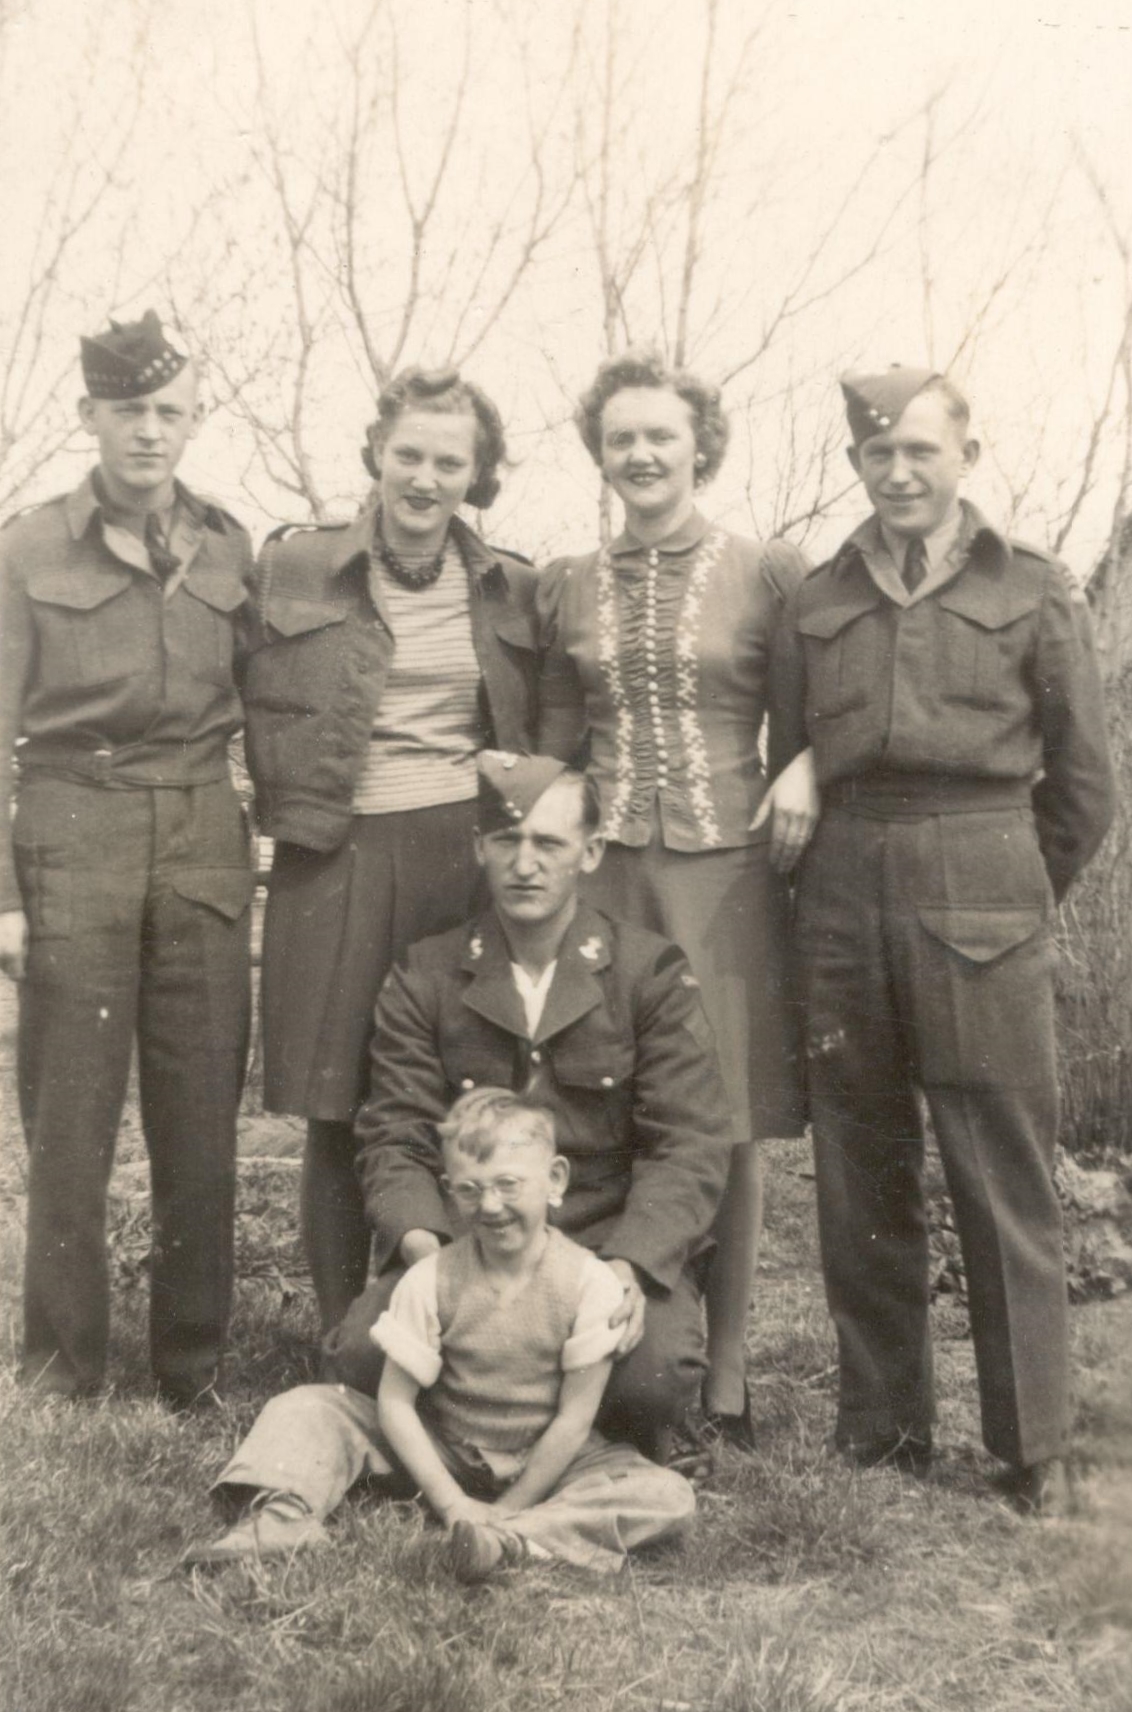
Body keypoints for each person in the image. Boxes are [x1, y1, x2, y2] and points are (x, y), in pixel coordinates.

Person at [773, 366, 1115, 1511]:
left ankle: (1033, 1444)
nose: (899, 471)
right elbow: (789, 749)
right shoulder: (816, 596)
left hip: (981, 874)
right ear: (855, 464)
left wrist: (1008, 890)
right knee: (858, 1161)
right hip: (839, 890)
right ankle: (882, 1429)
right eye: (878, 453)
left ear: (966, 454)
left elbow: (1081, 788)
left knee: (998, 1167)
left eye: (920, 449)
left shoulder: (1032, 586)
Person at [535, 350, 818, 1445]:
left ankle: (726, 1371)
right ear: (599, 455)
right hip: (606, 873)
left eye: (661, 435)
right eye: (621, 438)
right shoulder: (567, 582)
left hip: (726, 873)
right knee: (606, 1100)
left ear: (701, 445)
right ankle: (614, 1343)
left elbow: (811, 715)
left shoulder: (766, 572)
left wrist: (808, 765)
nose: (642, 454)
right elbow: (555, 745)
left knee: (725, 1116)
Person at [243, 366, 539, 1332]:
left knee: (454, 1094)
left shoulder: (512, 586)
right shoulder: (292, 566)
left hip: (463, 858)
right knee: (340, 1104)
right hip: (335, 854)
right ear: (376, 451)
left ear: (476, 474)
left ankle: (451, 1326)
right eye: (407, 454)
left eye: (449, 462)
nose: (423, 478)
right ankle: (344, 1333)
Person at [0, 311, 255, 1407]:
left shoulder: (229, 545)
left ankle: (193, 1364)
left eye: (170, 411)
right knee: (70, 1120)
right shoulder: (25, 547)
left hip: (202, 831)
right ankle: (62, 1369)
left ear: (192, 420)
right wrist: (3, 897)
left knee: (202, 1115)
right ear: (90, 415)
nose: (150, 430)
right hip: (76, 825)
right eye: (130, 410)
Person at [185, 1088, 695, 1577]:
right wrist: (451, 1502)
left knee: (666, 1495)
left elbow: (573, 1419)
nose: (489, 1206)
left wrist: (508, 1509)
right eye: (470, 1190)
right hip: (444, 1446)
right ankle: (282, 1517)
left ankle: (514, 1539)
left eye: (508, 1185)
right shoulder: (431, 1278)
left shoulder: (590, 1283)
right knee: (307, 1407)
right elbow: (396, 1403)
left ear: (555, 1180)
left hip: (549, 1457)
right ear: (449, 1191)